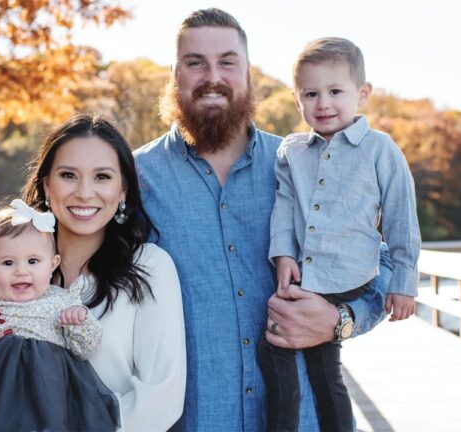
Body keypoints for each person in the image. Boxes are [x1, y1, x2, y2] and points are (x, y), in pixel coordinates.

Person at [133, 9, 393, 431]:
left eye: (227, 62)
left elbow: (383, 262)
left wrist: (340, 320)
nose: (211, 76)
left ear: (248, 73)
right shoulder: (134, 177)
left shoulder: (306, 163)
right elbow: (82, 275)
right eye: (195, 62)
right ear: (174, 74)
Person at [0, 114, 187, 431]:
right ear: (47, 184)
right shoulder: (5, 263)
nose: (84, 193)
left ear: (123, 191)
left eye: (102, 177)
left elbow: (162, 398)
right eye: (68, 175)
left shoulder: (149, 268)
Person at [257, 37, 422, 432]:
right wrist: (283, 254)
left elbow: (402, 219)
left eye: (335, 91)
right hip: (304, 276)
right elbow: (283, 206)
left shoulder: (380, 151)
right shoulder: (292, 152)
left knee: (321, 368)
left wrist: (404, 283)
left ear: (362, 94)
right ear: (297, 101)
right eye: (310, 94)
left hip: (348, 275)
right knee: (280, 350)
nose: (323, 103)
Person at [0, 200, 119, 431]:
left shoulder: (60, 301)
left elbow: (86, 348)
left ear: (52, 265)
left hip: (48, 398)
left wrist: (79, 320)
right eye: (8, 262)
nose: (21, 271)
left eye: (33, 261)